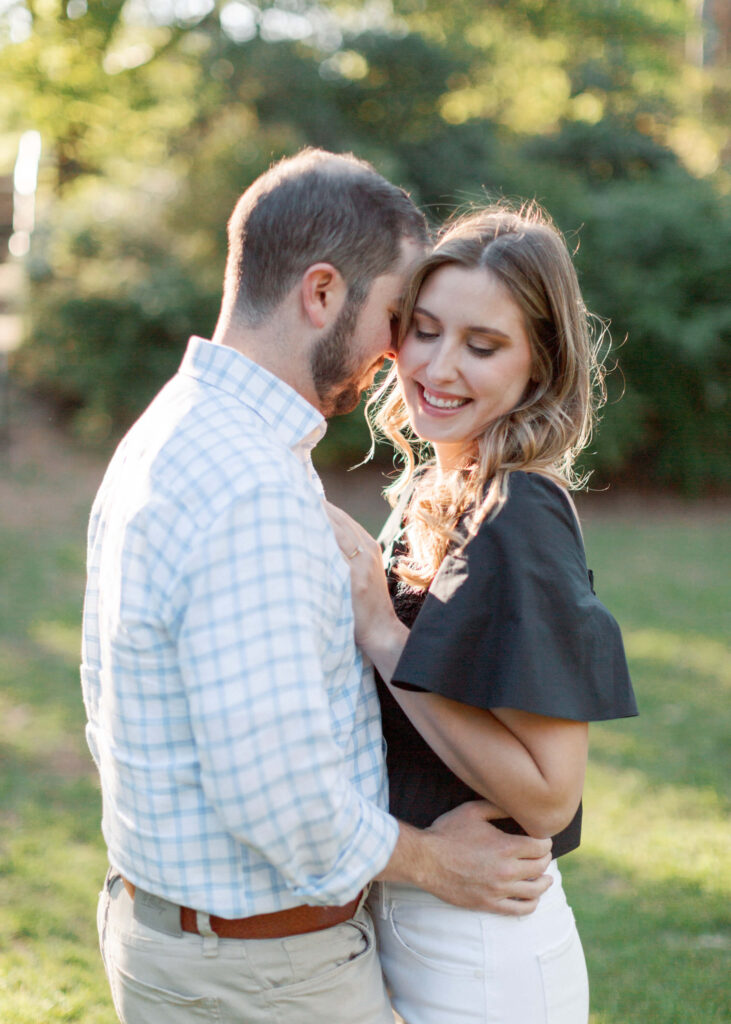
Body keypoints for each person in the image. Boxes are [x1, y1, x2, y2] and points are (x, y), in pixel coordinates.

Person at [82, 152, 556, 1024]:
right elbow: (278, 796)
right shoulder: (249, 482)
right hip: (262, 976)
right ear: (322, 293)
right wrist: (435, 862)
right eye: (393, 315)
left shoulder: (181, 428)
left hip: (204, 947)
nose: (393, 352)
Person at [326, 202, 638, 1024]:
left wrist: (381, 633)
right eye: (423, 330)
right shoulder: (444, 490)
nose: (438, 366)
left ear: (538, 364)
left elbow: (548, 798)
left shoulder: (517, 516)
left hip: (480, 955)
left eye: (482, 345)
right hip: (425, 921)